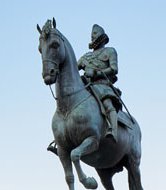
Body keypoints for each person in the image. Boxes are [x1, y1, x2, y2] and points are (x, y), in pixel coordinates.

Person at [47, 24, 122, 155]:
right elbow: (73, 69)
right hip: (86, 86)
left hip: (103, 84)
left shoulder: (110, 51)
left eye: (95, 34)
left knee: (107, 103)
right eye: (92, 35)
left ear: (102, 37)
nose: (93, 36)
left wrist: (97, 73)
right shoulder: (86, 57)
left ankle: (113, 130)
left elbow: (114, 69)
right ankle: (61, 138)